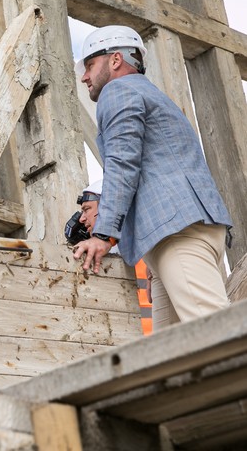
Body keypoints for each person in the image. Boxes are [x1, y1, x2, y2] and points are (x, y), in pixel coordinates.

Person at [72, 24, 231, 330]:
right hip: (178, 231)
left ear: (115, 60)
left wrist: (104, 234)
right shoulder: (153, 96)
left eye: (90, 65)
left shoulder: (118, 90)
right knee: (170, 358)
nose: (85, 76)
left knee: (219, 334)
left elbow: (122, 163)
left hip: (176, 233)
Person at [69, 179, 153, 334]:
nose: (81, 219)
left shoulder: (125, 245)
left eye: (86, 209)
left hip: (145, 336)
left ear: (107, 209)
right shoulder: (142, 237)